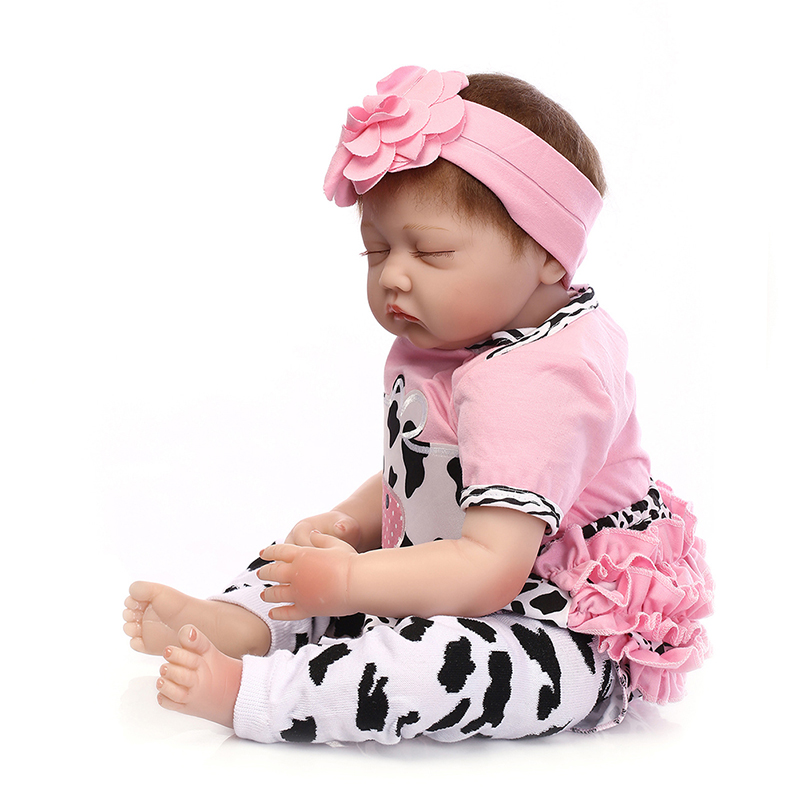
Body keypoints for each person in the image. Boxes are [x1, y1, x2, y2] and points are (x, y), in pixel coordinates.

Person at [123, 66, 714, 745]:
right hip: (449, 566)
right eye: (377, 251)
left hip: (559, 618)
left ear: (550, 254)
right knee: (306, 558)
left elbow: (491, 570)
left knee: (445, 665)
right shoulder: (454, 337)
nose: (394, 276)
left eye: (431, 252)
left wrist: (351, 581)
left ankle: (265, 695)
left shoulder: (542, 379)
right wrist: (351, 523)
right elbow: (424, 469)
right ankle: (242, 622)